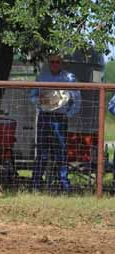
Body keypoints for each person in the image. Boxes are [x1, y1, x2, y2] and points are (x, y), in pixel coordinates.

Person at [29, 54, 81, 191]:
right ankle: (36, 183)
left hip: (60, 117)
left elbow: (77, 99)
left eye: (57, 62)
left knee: (61, 151)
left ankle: (63, 184)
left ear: (61, 63)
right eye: (52, 62)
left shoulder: (69, 78)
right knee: (42, 151)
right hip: (44, 116)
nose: (54, 64)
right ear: (48, 62)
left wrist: (68, 114)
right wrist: (39, 100)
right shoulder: (42, 77)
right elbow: (32, 96)